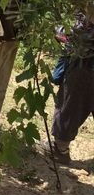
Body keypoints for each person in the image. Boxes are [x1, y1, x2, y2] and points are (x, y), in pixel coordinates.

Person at [37, 11, 94, 165]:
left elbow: (79, 36)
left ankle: (59, 150)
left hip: (85, 64)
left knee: (70, 105)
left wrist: (56, 30)